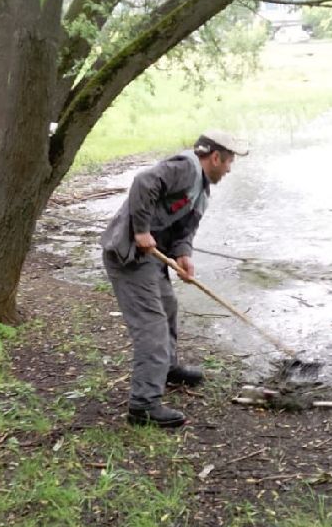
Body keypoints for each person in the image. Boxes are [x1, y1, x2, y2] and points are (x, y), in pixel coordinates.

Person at [102, 127, 246, 428]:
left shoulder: (202, 191)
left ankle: (166, 369)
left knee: (168, 308)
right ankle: (143, 406)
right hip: (129, 256)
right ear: (216, 157)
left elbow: (184, 230)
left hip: (152, 259)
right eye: (230, 161)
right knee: (152, 327)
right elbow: (143, 183)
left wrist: (183, 255)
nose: (230, 169)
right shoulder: (185, 168)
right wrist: (141, 230)